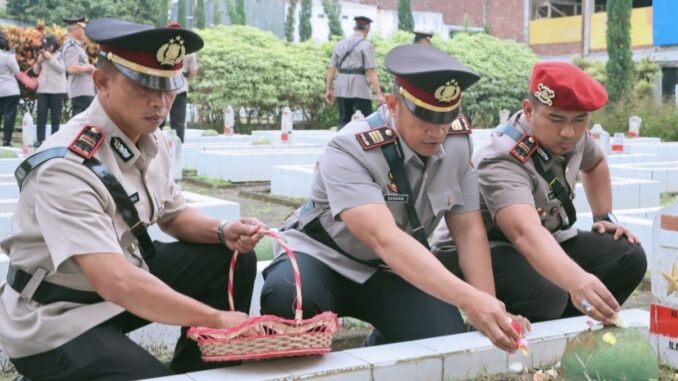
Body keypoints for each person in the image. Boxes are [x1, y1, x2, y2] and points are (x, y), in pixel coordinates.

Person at [0, 18, 265, 380]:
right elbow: (116, 281)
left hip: (117, 291)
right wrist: (218, 319)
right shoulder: (66, 164)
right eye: (144, 87)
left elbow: (173, 216)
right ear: (102, 82)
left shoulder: (148, 138)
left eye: (168, 87)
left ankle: (199, 369)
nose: (160, 103)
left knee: (231, 258)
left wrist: (223, 230)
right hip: (57, 314)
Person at [262, 44, 525, 353]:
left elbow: (468, 231)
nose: (437, 131)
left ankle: (375, 353)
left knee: (443, 334)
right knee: (288, 296)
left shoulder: (457, 144)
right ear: (393, 104)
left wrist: (491, 308)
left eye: (446, 117)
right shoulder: (350, 147)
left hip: (391, 267)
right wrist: (469, 299)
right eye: (425, 117)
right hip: (322, 256)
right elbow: (383, 238)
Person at [431, 61, 647, 324]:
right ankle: (507, 329)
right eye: (555, 119)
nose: (568, 132)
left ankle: (570, 331)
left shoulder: (575, 137)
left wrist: (604, 217)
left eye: (580, 120)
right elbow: (524, 233)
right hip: (484, 248)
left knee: (628, 255)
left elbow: (596, 163)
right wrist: (576, 280)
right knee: (547, 294)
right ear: (529, 110)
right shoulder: (503, 157)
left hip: (543, 237)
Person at [325, 16, 384, 130]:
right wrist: (378, 94)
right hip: (360, 85)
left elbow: (331, 68)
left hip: (341, 84)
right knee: (367, 119)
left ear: (354, 27)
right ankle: (366, 146)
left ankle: (340, 145)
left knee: (343, 120)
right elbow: (371, 71)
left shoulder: (340, 44)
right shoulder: (366, 45)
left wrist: (329, 89)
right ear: (368, 29)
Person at [166, 21, 199, 143]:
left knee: (158, 117)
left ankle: (156, 145)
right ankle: (178, 148)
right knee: (178, 121)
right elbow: (193, 71)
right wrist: (185, 79)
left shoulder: (162, 46)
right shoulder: (189, 49)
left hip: (163, 86)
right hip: (181, 85)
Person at [33, 34, 67, 146]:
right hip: (43, 89)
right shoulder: (43, 56)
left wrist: (50, 58)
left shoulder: (60, 54)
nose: (48, 48)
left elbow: (61, 69)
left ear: (55, 45)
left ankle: (54, 141)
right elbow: (35, 71)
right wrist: (38, 61)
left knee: (55, 116)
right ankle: (39, 140)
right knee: (41, 114)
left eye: (50, 46)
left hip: (57, 90)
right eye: (46, 46)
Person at [62, 16, 96, 117]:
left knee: (83, 123)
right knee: (81, 124)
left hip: (83, 90)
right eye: (83, 29)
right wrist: (89, 67)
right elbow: (71, 68)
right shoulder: (72, 46)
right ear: (75, 29)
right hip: (81, 91)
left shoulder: (77, 46)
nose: (85, 32)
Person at [0, 32, 20, 147]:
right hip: (10, 90)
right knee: (9, 116)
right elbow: (17, 72)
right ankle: (6, 141)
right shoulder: (8, 56)